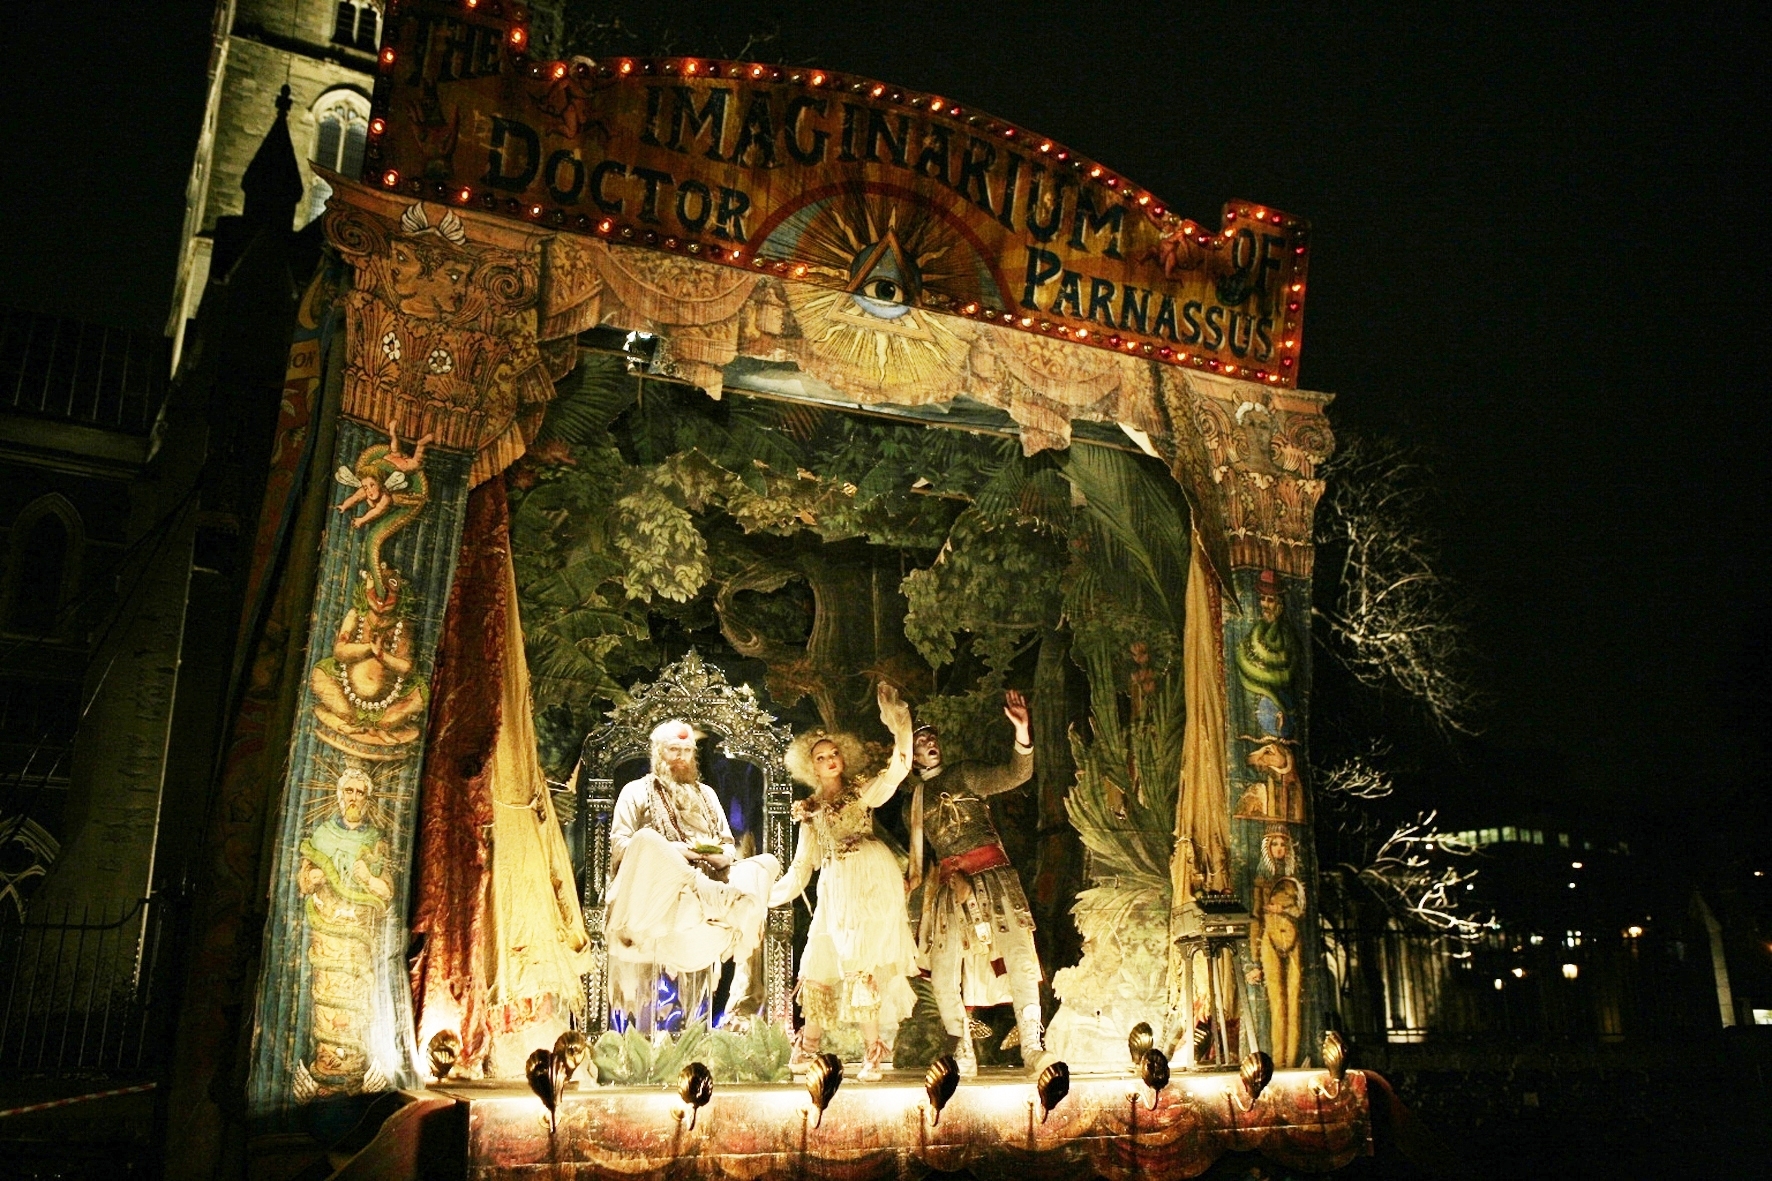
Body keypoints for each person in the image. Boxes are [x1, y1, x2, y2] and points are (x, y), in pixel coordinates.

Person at [769, 682, 916, 1082]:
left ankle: (873, 1050)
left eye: (834, 754)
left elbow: (898, 769)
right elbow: (802, 866)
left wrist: (899, 722)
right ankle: (808, 1046)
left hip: (867, 877)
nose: (830, 759)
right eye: (821, 757)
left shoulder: (859, 793)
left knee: (858, 961)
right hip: (833, 885)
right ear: (810, 766)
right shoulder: (811, 810)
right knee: (818, 960)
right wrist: (766, 896)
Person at [602, 721, 780, 1035]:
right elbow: (620, 846)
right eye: (674, 750)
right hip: (653, 894)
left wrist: (715, 854)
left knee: (764, 863)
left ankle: (727, 910)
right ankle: (728, 904)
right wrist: (676, 851)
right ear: (658, 753)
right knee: (647, 840)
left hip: (706, 885)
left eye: (687, 751)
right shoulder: (636, 791)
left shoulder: (707, 795)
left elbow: (727, 845)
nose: (682, 757)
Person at [903, 690, 1044, 1075]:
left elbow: (1016, 774)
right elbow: (921, 863)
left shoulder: (964, 774)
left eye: (931, 735)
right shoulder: (911, 803)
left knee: (1018, 955)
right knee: (946, 968)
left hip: (995, 879)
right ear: (908, 753)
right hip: (951, 888)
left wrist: (1022, 734)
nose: (928, 741)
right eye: (919, 738)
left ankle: (1033, 1045)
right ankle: (961, 1048)